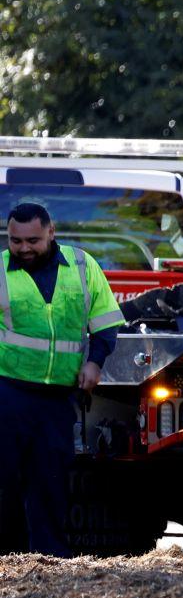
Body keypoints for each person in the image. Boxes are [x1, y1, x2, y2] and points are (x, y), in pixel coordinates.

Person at [0, 203, 124, 556]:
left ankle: (49, 560)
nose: (24, 248)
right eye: (16, 240)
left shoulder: (83, 266)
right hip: (7, 390)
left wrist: (95, 362)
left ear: (51, 232)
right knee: (5, 481)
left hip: (57, 397)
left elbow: (104, 321)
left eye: (33, 240)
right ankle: (8, 559)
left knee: (50, 480)